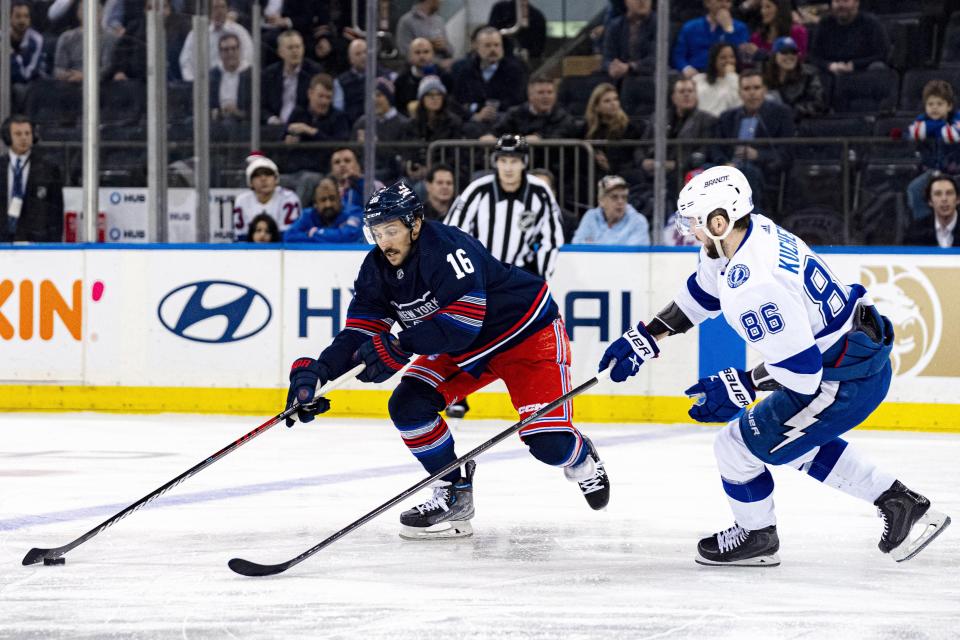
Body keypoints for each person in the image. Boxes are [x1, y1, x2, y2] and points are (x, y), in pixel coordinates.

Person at [598, 165, 952, 566]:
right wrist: (647, 336)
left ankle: (757, 536)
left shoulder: (755, 284)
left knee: (737, 447)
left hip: (844, 381)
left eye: (695, 222)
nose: (688, 230)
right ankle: (901, 504)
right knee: (784, 439)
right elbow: (702, 292)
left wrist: (742, 384)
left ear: (719, 220)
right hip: (854, 357)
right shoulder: (750, 232)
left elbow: (801, 374)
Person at [284, 181, 610, 539]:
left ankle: (582, 458)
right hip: (462, 347)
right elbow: (359, 332)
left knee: (550, 446)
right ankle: (454, 491)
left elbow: (462, 325)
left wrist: (401, 344)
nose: (384, 242)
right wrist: (320, 375)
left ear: (415, 224)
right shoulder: (376, 269)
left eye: (391, 230)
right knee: (408, 405)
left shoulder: (447, 249)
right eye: (376, 233)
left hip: (526, 335)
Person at [443, 134, 564, 418]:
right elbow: (453, 231)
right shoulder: (478, 190)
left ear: (524, 163)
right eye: (503, 161)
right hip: (477, 276)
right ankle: (454, 394)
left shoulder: (540, 193)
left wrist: (540, 278)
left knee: (525, 340)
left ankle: (533, 401)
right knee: (462, 333)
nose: (508, 167)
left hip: (516, 279)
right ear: (496, 162)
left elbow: (552, 238)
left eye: (514, 161)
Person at [715, 69, 794, 209]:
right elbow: (715, 147)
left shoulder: (781, 114)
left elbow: (786, 153)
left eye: (756, 88)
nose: (752, 93)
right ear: (739, 93)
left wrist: (758, 155)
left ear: (764, 90)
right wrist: (725, 163)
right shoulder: (727, 117)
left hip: (762, 171)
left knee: (747, 172)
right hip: (728, 169)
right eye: (746, 88)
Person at [0, 115, 64, 242]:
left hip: (37, 243)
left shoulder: (49, 169)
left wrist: (53, 246)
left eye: (27, 133)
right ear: (8, 137)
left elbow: (56, 213)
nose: (24, 138)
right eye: (18, 134)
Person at [906, 80, 960, 222]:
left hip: (956, 172)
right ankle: (925, 227)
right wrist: (940, 127)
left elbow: (953, 134)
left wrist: (930, 128)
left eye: (939, 104)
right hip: (932, 173)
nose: (934, 108)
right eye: (930, 104)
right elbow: (911, 133)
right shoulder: (921, 120)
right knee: (914, 189)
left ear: (949, 106)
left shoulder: (957, 119)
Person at [451, 26, 528, 126]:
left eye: (497, 45)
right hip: (473, 124)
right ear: (477, 47)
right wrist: (476, 114)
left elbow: (518, 100)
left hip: (506, 123)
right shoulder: (465, 71)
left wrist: (486, 108)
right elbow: (458, 102)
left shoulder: (515, 70)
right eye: (487, 46)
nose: (493, 50)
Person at [807, 0, 889, 75]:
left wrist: (853, 65)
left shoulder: (871, 24)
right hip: (830, 71)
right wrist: (829, 65)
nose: (841, 5)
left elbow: (882, 54)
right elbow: (814, 55)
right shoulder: (824, 23)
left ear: (857, 3)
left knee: (878, 67)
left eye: (845, 1)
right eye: (837, 1)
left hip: (863, 72)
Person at [178, 0, 253, 82]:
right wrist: (193, 84)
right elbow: (186, 62)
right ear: (209, 11)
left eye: (223, 7)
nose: (220, 11)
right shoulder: (196, 34)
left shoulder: (239, 31)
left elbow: (248, 58)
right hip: (204, 86)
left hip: (235, 82)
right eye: (216, 8)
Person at [232, 152, 301, 240]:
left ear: (276, 179)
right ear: (250, 183)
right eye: (257, 175)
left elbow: (289, 236)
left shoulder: (289, 198)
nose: (263, 179)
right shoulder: (242, 200)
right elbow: (241, 236)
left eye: (268, 174)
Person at [672, 0, 750, 78]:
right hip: (696, 74)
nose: (724, 5)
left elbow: (740, 56)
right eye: (719, 1)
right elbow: (679, 55)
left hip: (726, 75)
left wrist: (729, 29)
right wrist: (685, 68)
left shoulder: (740, 28)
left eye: (728, 1)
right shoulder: (690, 27)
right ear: (707, 3)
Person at [582, 82, 645, 177]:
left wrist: (610, 166)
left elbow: (632, 161)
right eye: (607, 101)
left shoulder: (629, 128)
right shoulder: (587, 129)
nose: (613, 104)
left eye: (616, 99)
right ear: (596, 107)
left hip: (624, 177)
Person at [262, 30, 320, 125]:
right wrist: (271, 119)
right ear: (280, 52)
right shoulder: (269, 74)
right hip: (275, 127)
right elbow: (261, 106)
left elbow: (315, 106)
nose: (295, 51)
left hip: (303, 126)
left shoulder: (314, 72)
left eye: (298, 47)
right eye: (290, 48)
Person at [54, 1, 120, 83]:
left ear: (101, 14)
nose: (90, 14)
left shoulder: (109, 38)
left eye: (96, 11)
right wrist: (68, 76)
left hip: (99, 85)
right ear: (78, 13)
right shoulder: (66, 37)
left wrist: (85, 76)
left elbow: (107, 68)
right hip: (70, 82)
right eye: (84, 10)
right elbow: (58, 68)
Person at [572, 175, 650, 245]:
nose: (620, 201)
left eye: (624, 197)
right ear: (601, 200)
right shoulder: (591, 217)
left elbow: (633, 256)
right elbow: (577, 248)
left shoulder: (638, 221)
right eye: (614, 197)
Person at [283, 176, 364, 243]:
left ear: (340, 197)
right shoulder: (307, 215)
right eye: (323, 200)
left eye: (332, 198)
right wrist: (332, 236)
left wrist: (314, 233)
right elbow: (289, 237)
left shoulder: (354, 213)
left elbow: (349, 236)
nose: (328, 204)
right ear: (315, 203)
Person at [494, 75, 577, 141]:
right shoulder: (515, 114)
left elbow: (555, 138)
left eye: (550, 92)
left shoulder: (563, 117)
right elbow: (497, 134)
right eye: (540, 93)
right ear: (530, 96)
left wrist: (537, 139)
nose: (546, 97)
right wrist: (490, 137)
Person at [762, 36, 825, 121]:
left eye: (793, 52)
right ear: (774, 56)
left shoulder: (809, 74)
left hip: (804, 123)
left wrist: (792, 112)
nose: (790, 56)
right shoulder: (764, 76)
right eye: (784, 52)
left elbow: (818, 103)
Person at [394, 37, 455, 118]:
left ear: (433, 54)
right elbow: (398, 107)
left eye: (426, 52)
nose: (422, 56)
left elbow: (452, 104)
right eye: (417, 52)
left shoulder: (445, 77)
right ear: (410, 56)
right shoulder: (402, 79)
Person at [601, 0, 656, 80]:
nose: (642, 1)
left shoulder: (659, 25)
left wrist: (629, 67)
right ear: (626, 1)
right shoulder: (615, 26)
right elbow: (607, 59)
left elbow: (656, 60)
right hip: (620, 81)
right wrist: (611, 67)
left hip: (650, 80)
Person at [741, 0, 808, 64]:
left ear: (780, 9)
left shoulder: (797, 32)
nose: (763, 11)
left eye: (768, 7)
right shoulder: (757, 37)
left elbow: (797, 60)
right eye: (762, 7)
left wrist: (762, 54)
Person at [904, 174, 960, 248]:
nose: (944, 199)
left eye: (949, 193)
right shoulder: (916, 231)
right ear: (930, 201)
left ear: (958, 199)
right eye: (938, 194)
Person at [210, 33, 253, 123]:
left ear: (239, 50)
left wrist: (236, 112)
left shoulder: (252, 75)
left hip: (244, 123)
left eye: (234, 48)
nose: (230, 53)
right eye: (226, 50)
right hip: (216, 122)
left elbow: (257, 109)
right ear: (220, 53)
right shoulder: (212, 75)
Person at [693, 42, 741, 118]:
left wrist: (731, 76)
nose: (729, 61)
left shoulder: (738, 80)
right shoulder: (698, 79)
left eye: (732, 57)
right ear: (714, 60)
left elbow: (737, 105)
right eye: (723, 57)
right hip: (699, 123)